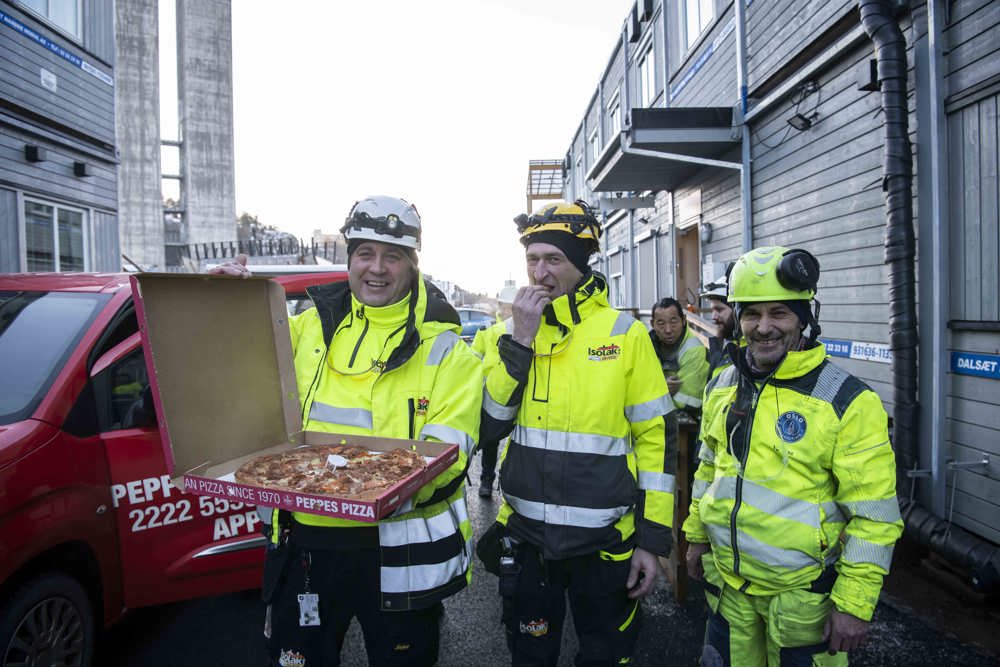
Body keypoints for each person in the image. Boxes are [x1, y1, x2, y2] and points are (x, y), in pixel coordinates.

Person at [213, 195, 481, 667]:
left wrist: (370, 486)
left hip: (398, 547)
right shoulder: (305, 328)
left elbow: (447, 451)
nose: (376, 268)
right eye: (365, 253)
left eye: (392, 255)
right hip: (306, 542)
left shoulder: (446, 350)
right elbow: (237, 373)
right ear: (349, 257)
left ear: (413, 264)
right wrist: (228, 307)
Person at [477, 200, 676, 666]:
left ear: (582, 263)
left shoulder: (625, 334)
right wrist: (521, 343)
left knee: (605, 657)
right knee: (530, 657)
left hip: (604, 545)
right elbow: (489, 425)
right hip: (528, 540)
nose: (540, 273)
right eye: (532, 259)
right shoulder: (504, 335)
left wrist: (651, 540)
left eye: (554, 260)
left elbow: (656, 442)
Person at [682, 246, 903, 666]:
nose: (763, 328)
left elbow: (875, 516)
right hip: (730, 591)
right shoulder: (723, 384)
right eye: (751, 314)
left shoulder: (848, 400)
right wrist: (695, 535)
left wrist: (854, 603)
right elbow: (709, 466)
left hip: (803, 603)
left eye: (779, 313)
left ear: (805, 319)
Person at [470, 318, 512, 498]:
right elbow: (474, 359)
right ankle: (487, 479)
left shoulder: (527, 323)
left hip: (517, 389)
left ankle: (509, 482)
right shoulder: (487, 329)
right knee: (490, 441)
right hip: (492, 393)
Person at [649, 296, 709, 418]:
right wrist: (662, 388)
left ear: (683, 320)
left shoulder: (694, 349)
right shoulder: (644, 346)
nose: (668, 330)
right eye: (661, 323)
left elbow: (687, 401)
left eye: (673, 322)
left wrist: (652, 390)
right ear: (652, 324)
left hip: (688, 420)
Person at [699, 269, 736, 379]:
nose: (714, 317)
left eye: (719, 310)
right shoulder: (722, 348)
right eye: (712, 311)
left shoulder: (750, 353)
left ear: (737, 310)